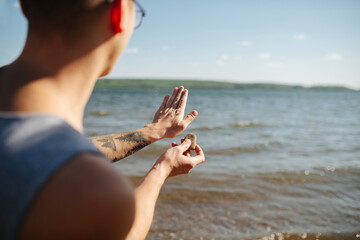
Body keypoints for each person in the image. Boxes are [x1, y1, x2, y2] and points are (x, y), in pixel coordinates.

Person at [0, 0, 205, 239]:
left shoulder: (41, 154)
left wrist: (152, 132)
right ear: (117, 12)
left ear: (24, 7)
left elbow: (43, 153)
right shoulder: (93, 191)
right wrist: (162, 168)